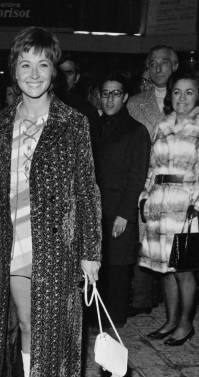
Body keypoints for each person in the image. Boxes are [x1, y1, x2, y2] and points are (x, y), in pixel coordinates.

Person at [0, 27, 101, 377]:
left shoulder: (73, 124)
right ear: (13, 70)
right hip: (13, 242)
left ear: (55, 71)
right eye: (25, 64)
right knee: (27, 324)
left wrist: (91, 252)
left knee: (53, 331)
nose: (33, 73)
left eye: (42, 64)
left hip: (56, 246)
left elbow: (87, 189)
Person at [139, 69, 199, 346]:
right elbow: (153, 166)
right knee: (164, 267)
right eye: (177, 92)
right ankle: (171, 320)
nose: (182, 98)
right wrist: (145, 196)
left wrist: (195, 202)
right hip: (159, 204)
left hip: (188, 207)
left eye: (189, 92)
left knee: (183, 269)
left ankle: (186, 324)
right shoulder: (162, 125)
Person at [95, 73, 151, 327]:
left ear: (125, 97)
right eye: (106, 93)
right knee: (99, 264)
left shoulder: (136, 131)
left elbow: (137, 176)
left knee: (118, 266)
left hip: (119, 209)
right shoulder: (93, 126)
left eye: (115, 94)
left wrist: (125, 214)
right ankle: (96, 315)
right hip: (96, 208)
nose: (109, 99)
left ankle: (115, 318)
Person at [127, 45, 179, 317]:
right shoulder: (135, 104)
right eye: (153, 63)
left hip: (181, 188)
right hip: (146, 184)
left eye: (165, 62)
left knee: (178, 252)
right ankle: (142, 299)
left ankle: (177, 310)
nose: (159, 68)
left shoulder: (187, 101)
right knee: (144, 242)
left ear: (175, 66)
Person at [56, 53, 99, 151]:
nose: (64, 77)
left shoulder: (87, 112)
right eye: (60, 72)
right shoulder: (43, 105)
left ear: (77, 77)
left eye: (68, 73)